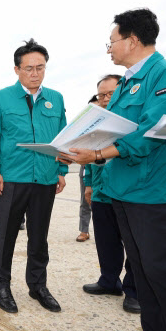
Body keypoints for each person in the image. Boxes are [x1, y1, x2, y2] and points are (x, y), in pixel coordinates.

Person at [64, 8, 166, 331]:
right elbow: (115, 128)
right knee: (142, 271)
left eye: (112, 41)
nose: (109, 49)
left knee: (164, 273)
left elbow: (149, 132)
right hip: (125, 191)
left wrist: (96, 153)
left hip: (157, 194)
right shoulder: (126, 82)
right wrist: (84, 146)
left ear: (133, 40)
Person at [0, 38, 67, 314]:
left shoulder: (55, 99)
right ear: (17, 70)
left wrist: (61, 170)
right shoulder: (1, 97)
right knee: (5, 236)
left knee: (39, 236)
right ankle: (1, 286)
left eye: (40, 67)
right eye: (29, 68)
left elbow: (63, 138)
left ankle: (37, 285)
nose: (35, 73)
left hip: (44, 177)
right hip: (12, 179)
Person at [81, 75, 139, 314]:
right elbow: (89, 158)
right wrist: (88, 184)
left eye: (109, 95)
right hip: (102, 192)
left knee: (134, 244)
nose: (104, 100)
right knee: (106, 241)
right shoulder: (97, 123)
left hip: (128, 193)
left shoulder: (131, 121)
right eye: (101, 95)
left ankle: (134, 291)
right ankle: (109, 281)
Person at [76, 95, 98, 242]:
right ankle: (84, 230)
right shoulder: (84, 128)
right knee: (86, 200)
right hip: (87, 168)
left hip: (108, 167)